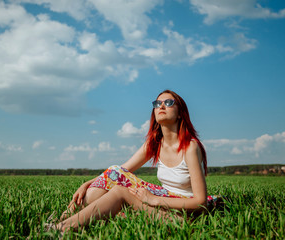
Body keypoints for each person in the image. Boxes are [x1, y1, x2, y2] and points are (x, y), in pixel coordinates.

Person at [54, 89, 218, 233]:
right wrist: (87, 184)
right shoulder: (154, 144)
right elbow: (120, 172)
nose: (161, 106)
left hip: (185, 216)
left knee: (120, 191)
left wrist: (153, 199)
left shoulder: (190, 147)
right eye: (157, 103)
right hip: (161, 205)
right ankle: (61, 222)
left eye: (168, 102)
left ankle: (60, 229)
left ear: (180, 112)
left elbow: (200, 202)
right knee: (110, 177)